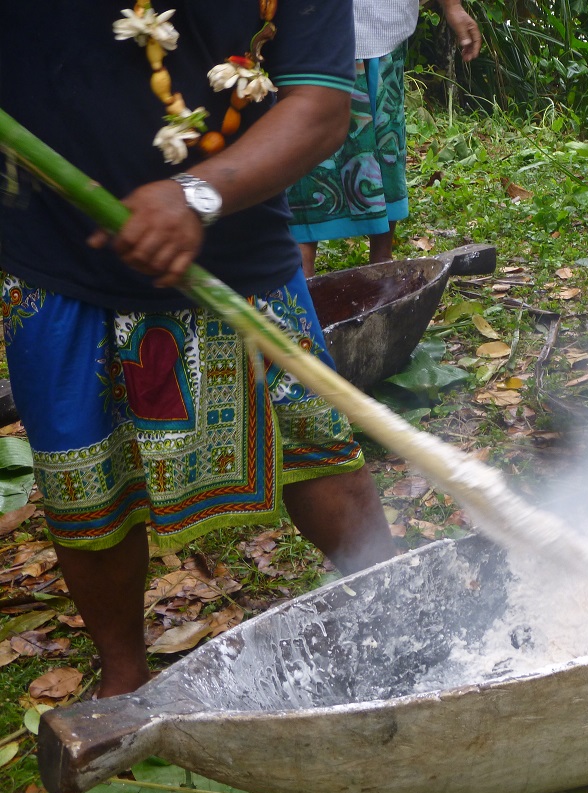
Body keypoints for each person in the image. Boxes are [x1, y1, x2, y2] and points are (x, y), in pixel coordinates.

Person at [0, 0, 398, 698]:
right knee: (81, 481)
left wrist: (198, 194)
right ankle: (124, 682)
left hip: (237, 249)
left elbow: (320, 106)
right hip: (51, 251)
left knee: (319, 448)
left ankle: (402, 614)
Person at [287, 0, 481, 278]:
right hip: (310, 25)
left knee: (384, 135)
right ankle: (301, 272)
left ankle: (381, 261)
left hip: (381, 20)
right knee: (308, 148)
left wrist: (452, 7)